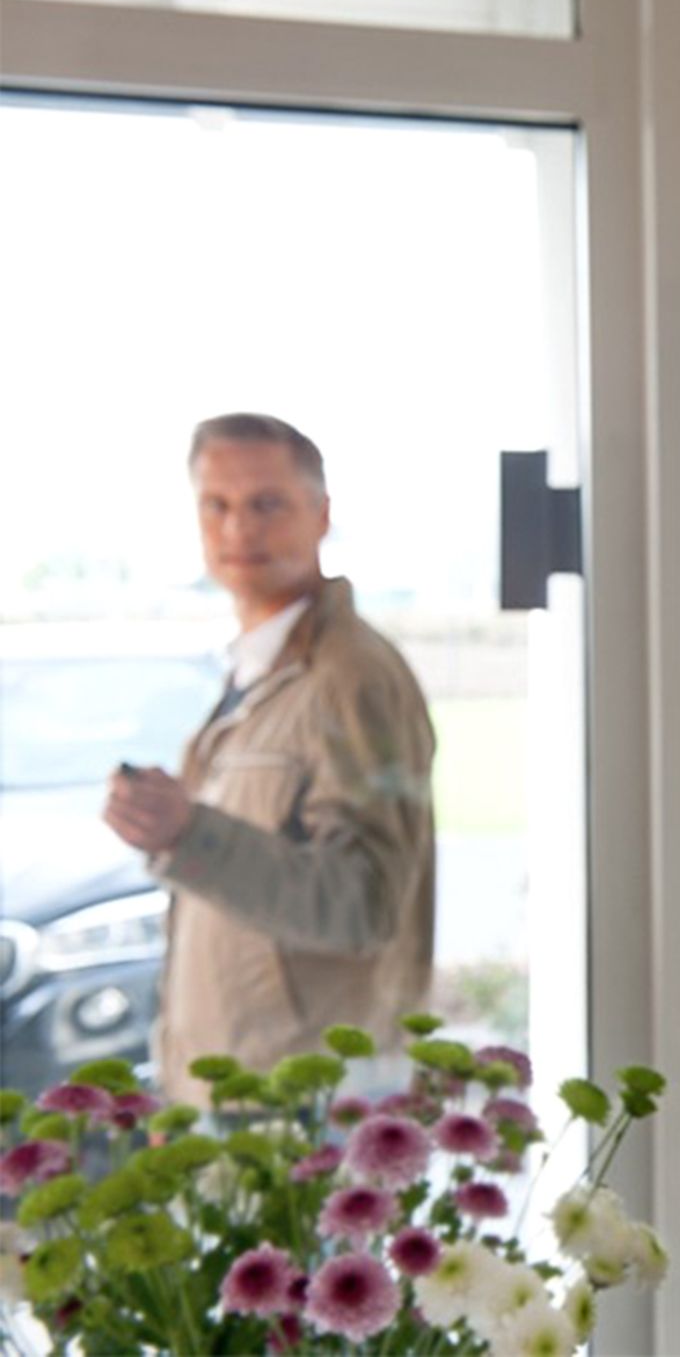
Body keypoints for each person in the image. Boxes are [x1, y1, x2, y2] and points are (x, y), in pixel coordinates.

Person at [102, 413, 435, 1104]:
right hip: (231, 1093)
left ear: (322, 514)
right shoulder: (258, 667)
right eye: (216, 505)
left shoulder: (350, 677)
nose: (238, 530)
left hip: (305, 1106)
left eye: (266, 503)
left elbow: (366, 904)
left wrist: (189, 833)